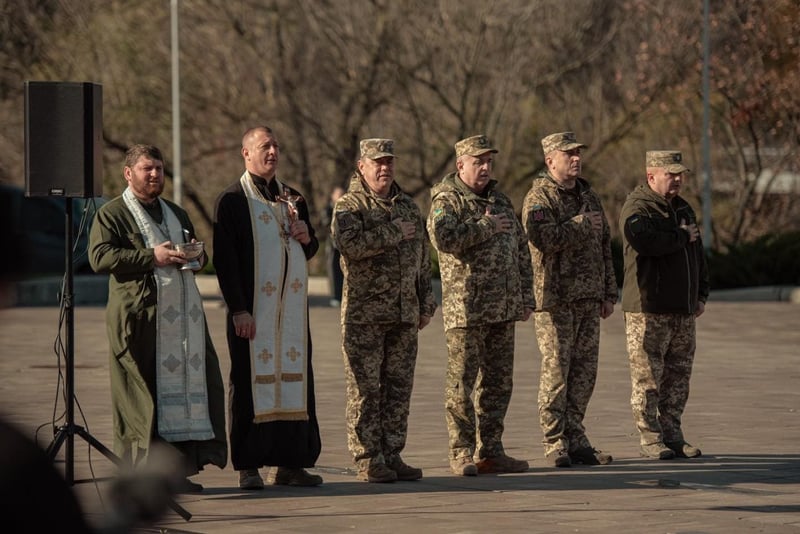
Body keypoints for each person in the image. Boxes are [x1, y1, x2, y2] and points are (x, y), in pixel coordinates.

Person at [88, 144, 227, 493]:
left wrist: (196, 256)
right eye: (147, 168)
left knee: (185, 391)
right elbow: (100, 257)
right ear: (128, 173)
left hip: (182, 321)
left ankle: (177, 472)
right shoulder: (112, 213)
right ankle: (142, 477)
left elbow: (195, 251)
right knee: (142, 398)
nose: (154, 174)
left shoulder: (176, 212)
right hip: (140, 319)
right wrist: (151, 256)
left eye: (160, 169)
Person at [213, 126, 323, 489]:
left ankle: (291, 463)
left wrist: (307, 238)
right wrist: (238, 309)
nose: (273, 151)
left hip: (290, 315)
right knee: (248, 386)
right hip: (252, 313)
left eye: (276, 145)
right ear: (246, 153)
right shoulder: (232, 200)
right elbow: (225, 261)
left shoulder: (293, 198)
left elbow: (308, 248)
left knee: (296, 382)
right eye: (265, 146)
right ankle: (249, 466)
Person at [331, 138, 438, 483]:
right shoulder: (350, 206)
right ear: (361, 166)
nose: (384, 168)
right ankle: (367, 458)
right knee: (365, 390)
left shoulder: (408, 205)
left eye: (389, 162)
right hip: (365, 317)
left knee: (398, 389)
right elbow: (350, 246)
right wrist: (392, 232)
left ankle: (392, 453)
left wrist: (425, 302)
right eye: (377, 162)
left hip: (404, 314)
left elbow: (422, 259)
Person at [427, 134, 534, 476]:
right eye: (478, 162)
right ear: (461, 165)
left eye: (488, 161)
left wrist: (526, 295)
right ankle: (461, 452)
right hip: (467, 310)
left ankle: (491, 450)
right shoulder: (447, 199)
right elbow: (443, 238)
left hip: (503, 308)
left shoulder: (500, 200)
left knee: (498, 384)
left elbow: (520, 248)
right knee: (462, 384)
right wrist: (486, 225)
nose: (485, 167)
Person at [522, 131, 617, 468]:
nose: (576, 159)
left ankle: (576, 436)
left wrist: (609, 292)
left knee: (584, 373)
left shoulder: (589, 195)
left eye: (578, 153)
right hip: (556, 299)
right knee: (557, 372)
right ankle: (554, 441)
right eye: (569, 154)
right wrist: (579, 224)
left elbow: (605, 245)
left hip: (589, 298)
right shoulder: (539, 197)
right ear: (550, 160)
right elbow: (543, 238)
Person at [619, 150, 708, 460]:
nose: (678, 179)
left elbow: (697, 254)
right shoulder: (638, 207)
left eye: (680, 174)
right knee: (648, 378)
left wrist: (701, 293)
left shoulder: (683, 207)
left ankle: (673, 434)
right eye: (671, 174)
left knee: (678, 376)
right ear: (651, 176)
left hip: (682, 309)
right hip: (649, 309)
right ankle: (650, 437)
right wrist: (680, 236)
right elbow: (645, 242)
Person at [323, 185, 345, 307]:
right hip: (332, 246)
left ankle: (343, 296)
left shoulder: (347, 209)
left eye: (342, 194)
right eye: (338, 194)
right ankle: (335, 296)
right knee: (333, 271)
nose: (340, 197)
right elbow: (325, 224)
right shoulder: (328, 209)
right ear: (332, 196)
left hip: (344, 245)